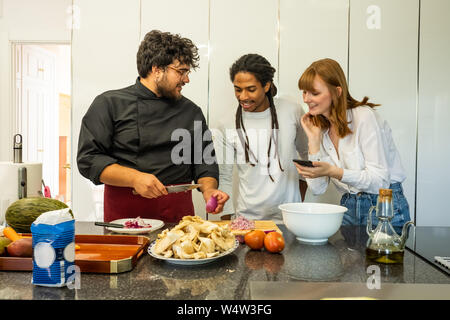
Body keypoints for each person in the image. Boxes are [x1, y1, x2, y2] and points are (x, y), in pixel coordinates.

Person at [77, 30, 229, 223]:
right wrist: (134, 178)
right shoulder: (109, 104)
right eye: (181, 71)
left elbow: (205, 163)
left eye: (187, 72)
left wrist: (209, 190)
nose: (187, 79)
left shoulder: (191, 112)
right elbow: (88, 159)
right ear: (156, 69)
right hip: (125, 219)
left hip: (177, 218)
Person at [294, 58, 411, 227]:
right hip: (348, 206)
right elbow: (317, 189)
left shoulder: (364, 117)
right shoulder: (321, 128)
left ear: (337, 91)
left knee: (383, 255)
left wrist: (335, 172)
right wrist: (313, 140)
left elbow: (380, 181)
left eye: (314, 93)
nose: (306, 99)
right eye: (304, 92)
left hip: (383, 206)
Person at [213, 54, 308, 223]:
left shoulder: (291, 111)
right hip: (247, 220)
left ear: (266, 86)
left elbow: (306, 156)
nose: (243, 97)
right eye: (237, 89)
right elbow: (224, 177)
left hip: (289, 219)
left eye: (251, 89)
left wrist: (297, 206)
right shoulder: (226, 122)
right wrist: (228, 223)